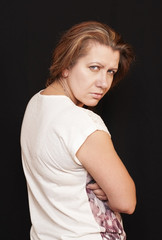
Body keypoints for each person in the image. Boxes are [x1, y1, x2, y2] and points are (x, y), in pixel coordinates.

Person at [20, 21, 136, 240]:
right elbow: (126, 201)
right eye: (94, 67)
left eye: (111, 71)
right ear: (66, 66)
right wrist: (109, 190)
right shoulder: (82, 122)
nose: (104, 82)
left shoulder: (36, 103)